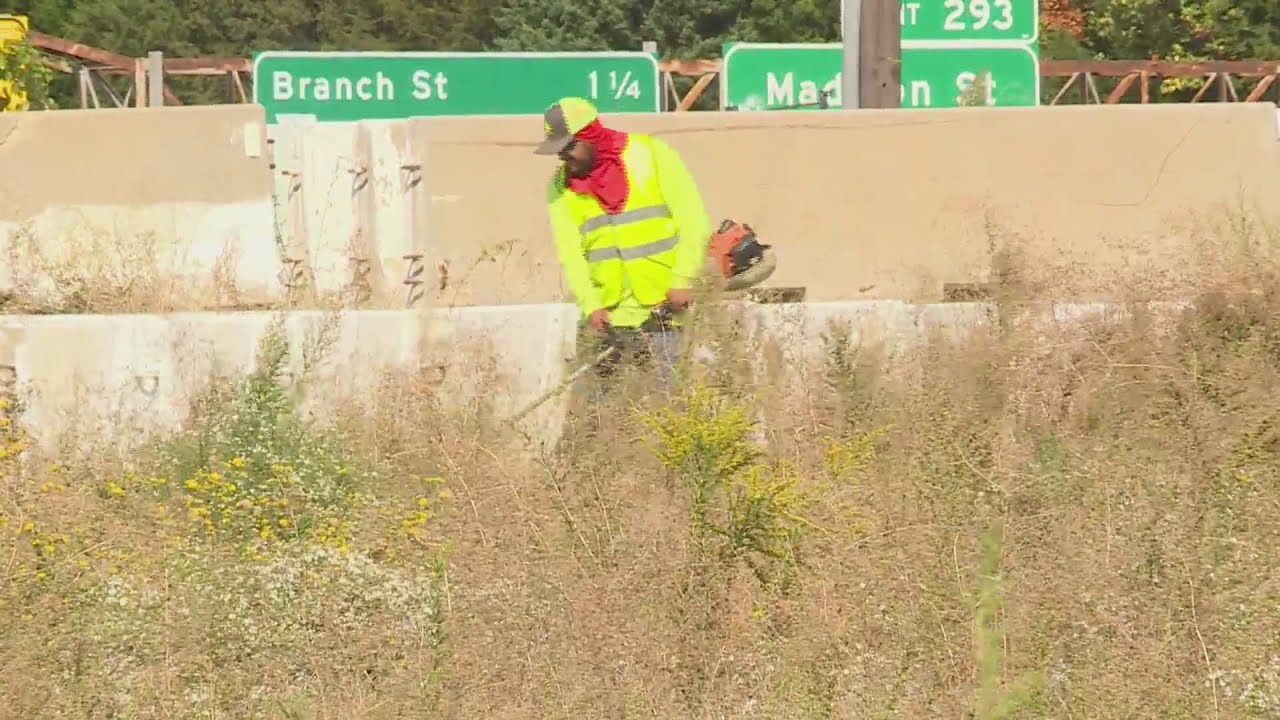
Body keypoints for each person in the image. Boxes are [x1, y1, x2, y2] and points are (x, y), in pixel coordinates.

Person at [536, 96, 712, 387]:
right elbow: (571, 254)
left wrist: (682, 279)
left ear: (590, 135)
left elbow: (694, 220)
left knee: (664, 408)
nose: (563, 158)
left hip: (662, 311)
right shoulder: (559, 188)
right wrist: (591, 306)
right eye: (558, 151)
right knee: (596, 417)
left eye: (568, 148)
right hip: (607, 319)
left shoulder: (652, 155)